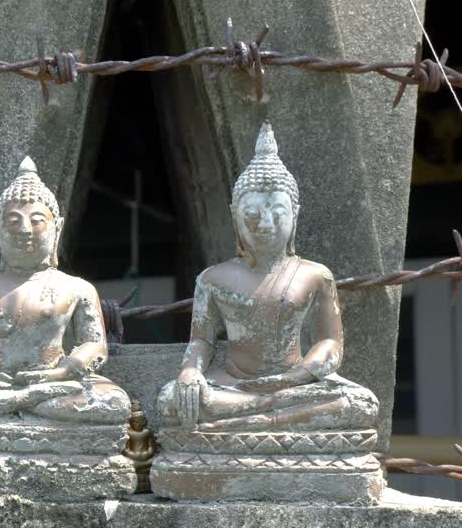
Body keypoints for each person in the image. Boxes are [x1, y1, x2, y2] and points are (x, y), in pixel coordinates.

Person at [158, 123, 379, 432]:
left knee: (360, 404)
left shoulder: (315, 275)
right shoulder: (213, 279)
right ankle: (271, 420)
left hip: (296, 385)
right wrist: (190, 373)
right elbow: (201, 340)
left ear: (295, 213)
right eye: (252, 213)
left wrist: (299, 376)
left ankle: (253, 421)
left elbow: (329, 341)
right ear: (235, 214)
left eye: (277, 212)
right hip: (233, 384)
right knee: (172, 402)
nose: (265, 224)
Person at [0, 156, 130, 427]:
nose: (25, 230)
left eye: (37, 220)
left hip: (57, 383)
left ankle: (20, 404)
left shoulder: (77, 288)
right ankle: (25, 401)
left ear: (58, 227)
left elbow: (95, 345)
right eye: (13, 221)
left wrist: (60, 372)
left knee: (113, 402)